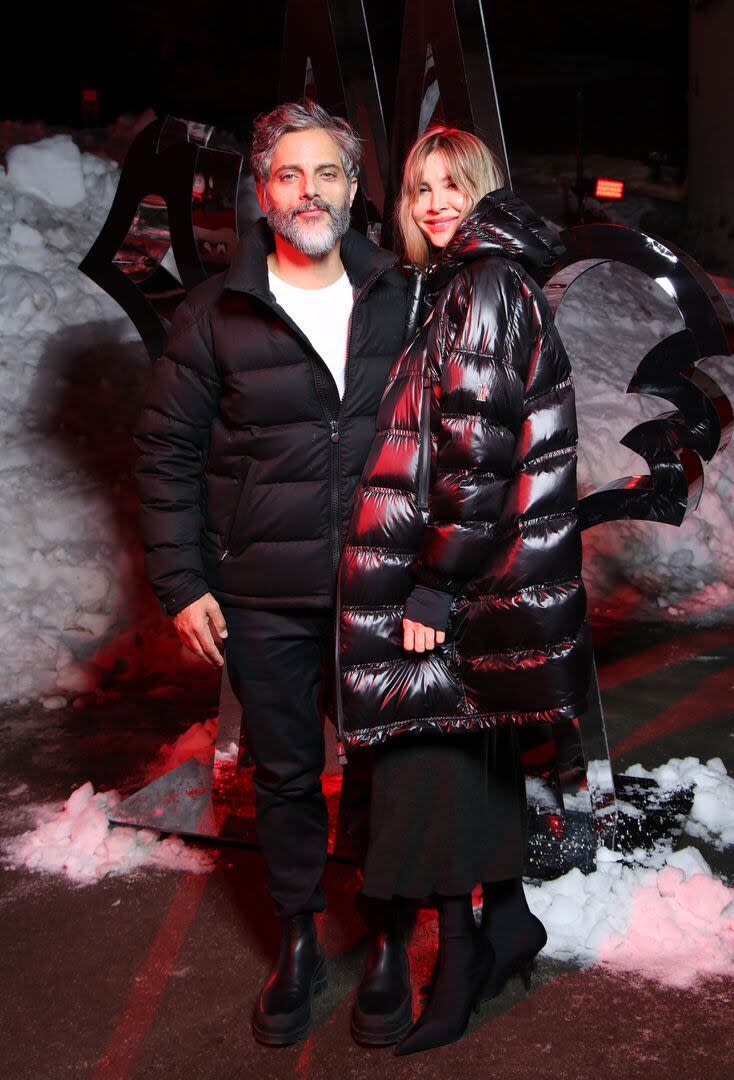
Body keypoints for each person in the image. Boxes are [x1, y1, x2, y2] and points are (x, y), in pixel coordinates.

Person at [133, 99, 409, 1047]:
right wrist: (183, 581)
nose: (309, 191)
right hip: (264, 595)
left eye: (326, 172)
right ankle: (297, 938)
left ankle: (381, 935)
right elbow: (166, 452)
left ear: (353, 187)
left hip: (381, 590)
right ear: (261, 192)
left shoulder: (401, 296)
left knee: (384, 765)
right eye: (288, 175)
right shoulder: (218, 311)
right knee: (287, 775)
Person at [336, 127, 592, 1054]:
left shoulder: (481, 285)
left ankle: (465, 956)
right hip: (485, 578)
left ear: (485, 190)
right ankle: (505, 922)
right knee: (461, 752)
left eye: (454, 186)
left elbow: (475, 456)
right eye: (419, 190)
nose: (435, 204)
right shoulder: (473, 281)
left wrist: (435, 587)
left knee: (428, 756)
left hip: (460, 577)